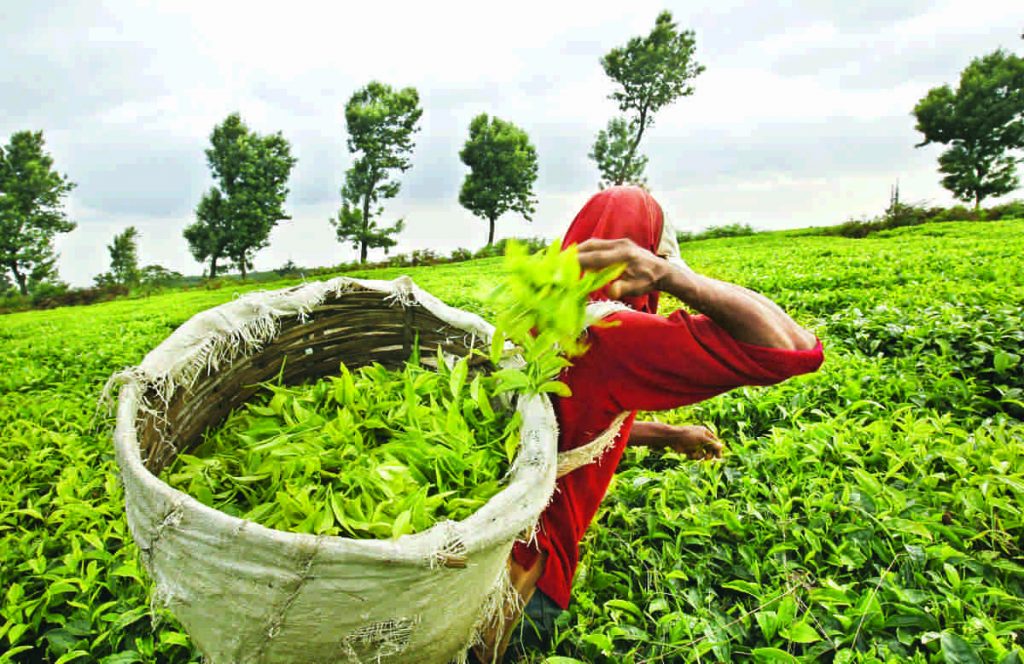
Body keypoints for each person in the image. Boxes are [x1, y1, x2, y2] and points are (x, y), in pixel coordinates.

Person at [472, 186, 824, 663]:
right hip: (530, 577)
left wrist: (668, 436)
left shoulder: (530, 316)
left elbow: (567, 421)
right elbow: (792, 347)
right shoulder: (613, 336)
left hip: (474, 556)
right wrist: (675, 277)